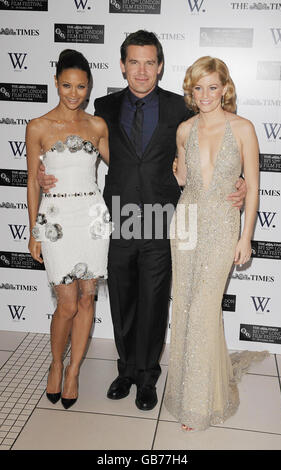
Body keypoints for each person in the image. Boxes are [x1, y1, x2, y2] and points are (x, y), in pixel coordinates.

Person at [38, 31, 246, 411]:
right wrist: (43, 172)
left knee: (152, 301)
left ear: (160, 66)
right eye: (134, 62)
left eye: (149, 62)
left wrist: (240, 182)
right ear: (122, 65)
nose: (142, 70)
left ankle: (148, 376)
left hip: (162, 220)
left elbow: (211, 153)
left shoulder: (180, 109)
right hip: (113, 219)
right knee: (122, 299)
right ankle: (127, 370)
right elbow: (72, 141)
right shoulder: (104, 106)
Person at [164, 56, 268, 431]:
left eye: (212, 86)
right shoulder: (184, 130)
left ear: (225, 88)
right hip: (187, 221)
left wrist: (247, 236)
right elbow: (184, 182)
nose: (206, 94)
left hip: (223, 225)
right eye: (198, 87)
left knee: (206, 307)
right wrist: (177, 173)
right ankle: (185, 390)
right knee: (187, 306)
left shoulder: (243, 128)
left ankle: (199, 405)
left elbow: (252, 185)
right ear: (190, 91)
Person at [26, 49, 111, 409]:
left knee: (87, 298)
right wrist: (33, 230)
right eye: (66, 85)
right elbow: (32, 182)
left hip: (92, 217)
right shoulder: (38, 127)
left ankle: (74, 370)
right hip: (57, 219)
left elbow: (125, 166)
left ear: (89, 86)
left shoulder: (97, 126)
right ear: (56, 83)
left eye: (80, 86)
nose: (73, 93)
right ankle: (56, 364)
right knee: (66, 304)